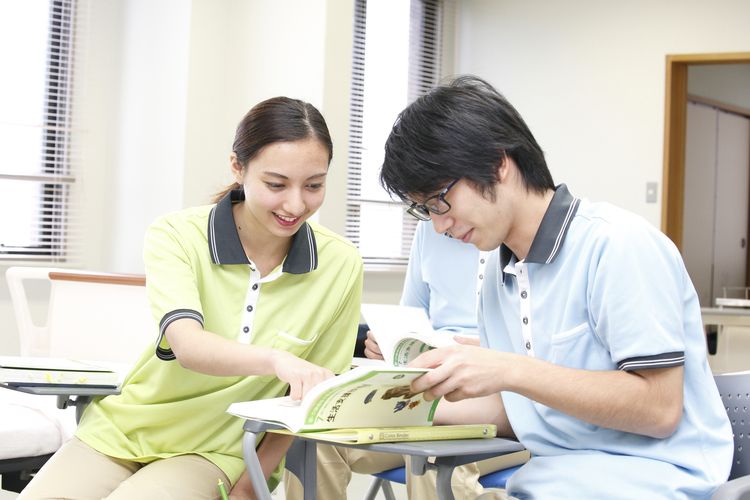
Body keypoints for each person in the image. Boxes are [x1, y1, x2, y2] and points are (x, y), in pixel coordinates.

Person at [378, 75, 733, 499]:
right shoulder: (498, 274)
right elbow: (527, 414)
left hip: (657, 479)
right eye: (425, 209)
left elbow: (659, 409)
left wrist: (508, 369)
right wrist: (392, 403)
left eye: (440, 200)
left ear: (497, 164)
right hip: (554, 482)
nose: (438, 224)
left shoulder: (616, 245)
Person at [19, 96, 363, 500]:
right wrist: (276, 360)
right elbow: (188, 346)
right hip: (123, 430)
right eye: (276, 184)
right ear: (238, 167)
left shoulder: (340, 264)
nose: (295, 204)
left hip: (219, 450)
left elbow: (311, 402)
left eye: (314, 185)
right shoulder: (177, 234)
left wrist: (252, 485)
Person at [285, 220, 529, 500]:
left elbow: (547, 360)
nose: (439, 221)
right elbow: (411, 316)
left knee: (434, 455)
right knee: (316, 441)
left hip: (502, 403)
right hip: (425, 392)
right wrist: (388, 342)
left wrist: (487, 350)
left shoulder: (522, 235)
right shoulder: (431, 229)